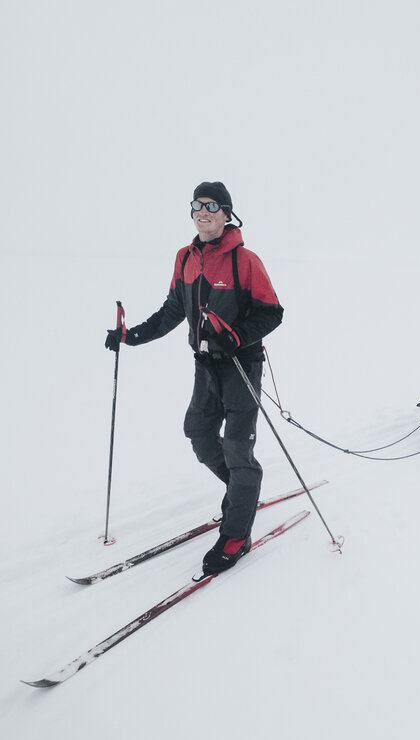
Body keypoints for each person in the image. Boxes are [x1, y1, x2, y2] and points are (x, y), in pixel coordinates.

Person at [105, 181, 284, 574]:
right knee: (199, 435)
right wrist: (130, 336)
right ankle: (243, 490)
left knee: (238, 447)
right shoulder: (185, 257)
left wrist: (235, 336)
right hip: (204, 367)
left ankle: (237, 533)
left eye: (212, 206)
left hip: (240, 367)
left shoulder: (245, 261)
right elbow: (173, 310)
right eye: (197, 205)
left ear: (226, 214)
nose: (203, 211)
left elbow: (272, 312)